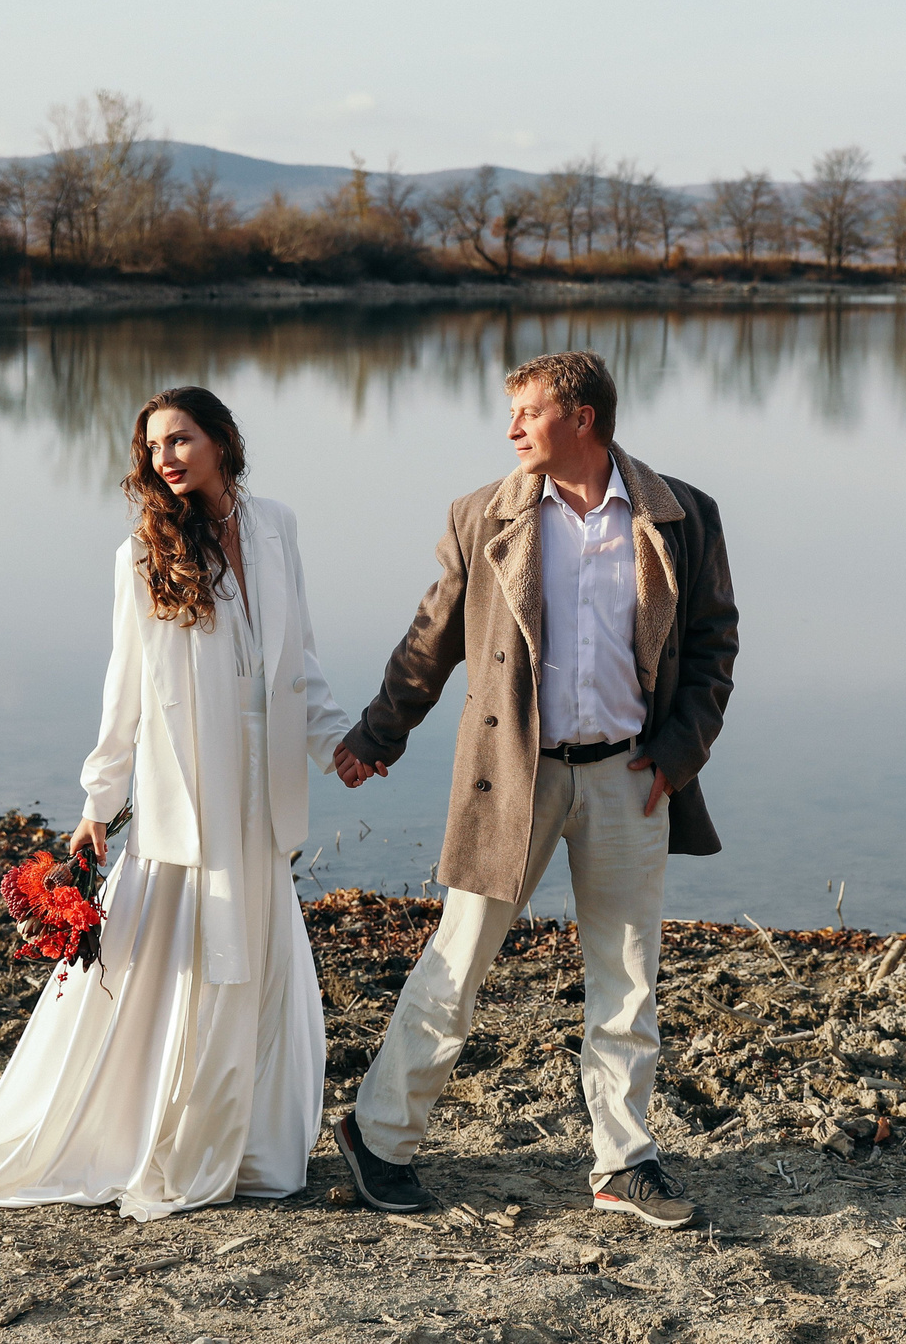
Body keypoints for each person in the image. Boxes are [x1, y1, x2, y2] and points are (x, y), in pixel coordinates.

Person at [0, 387, 350, 1221]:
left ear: (222, 439)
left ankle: (256, 1149)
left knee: (264, 964)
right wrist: (100, 799)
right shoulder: (144, 551)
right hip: (190, 787)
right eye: (154, 445)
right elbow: (125, 689)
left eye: (181, 438)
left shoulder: (277, 525)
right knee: (201, 964)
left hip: (263, 783)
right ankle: (182, 1144)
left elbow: (299, 663)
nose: (166, 456)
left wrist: (343, 744)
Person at [328, 350, 738, 1229]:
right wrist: (377, 732)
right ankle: (379, 1136)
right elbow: (430, 637)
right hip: (514, 774)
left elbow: (713, 646)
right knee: (457, 959)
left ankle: (623, 1163)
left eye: (527, 410)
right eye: (510, 412)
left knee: (628, 975)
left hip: (634, 777)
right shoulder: (484, 515)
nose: (511, 427)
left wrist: (677, 753)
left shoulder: (682, 515)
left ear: (581, 417)